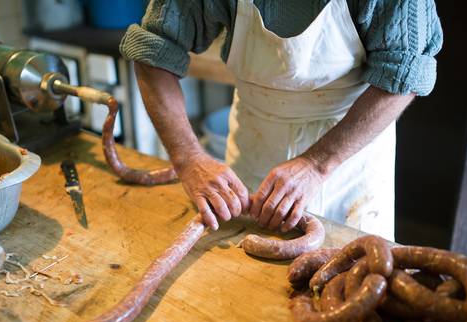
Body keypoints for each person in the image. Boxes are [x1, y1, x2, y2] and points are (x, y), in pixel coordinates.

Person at [120, 0, 442, 240]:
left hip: (349, 158)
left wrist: (317, 164)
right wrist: (188, 158)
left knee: (353, 274)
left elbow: (403, 77)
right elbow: (153, 52)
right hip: (255, 141)